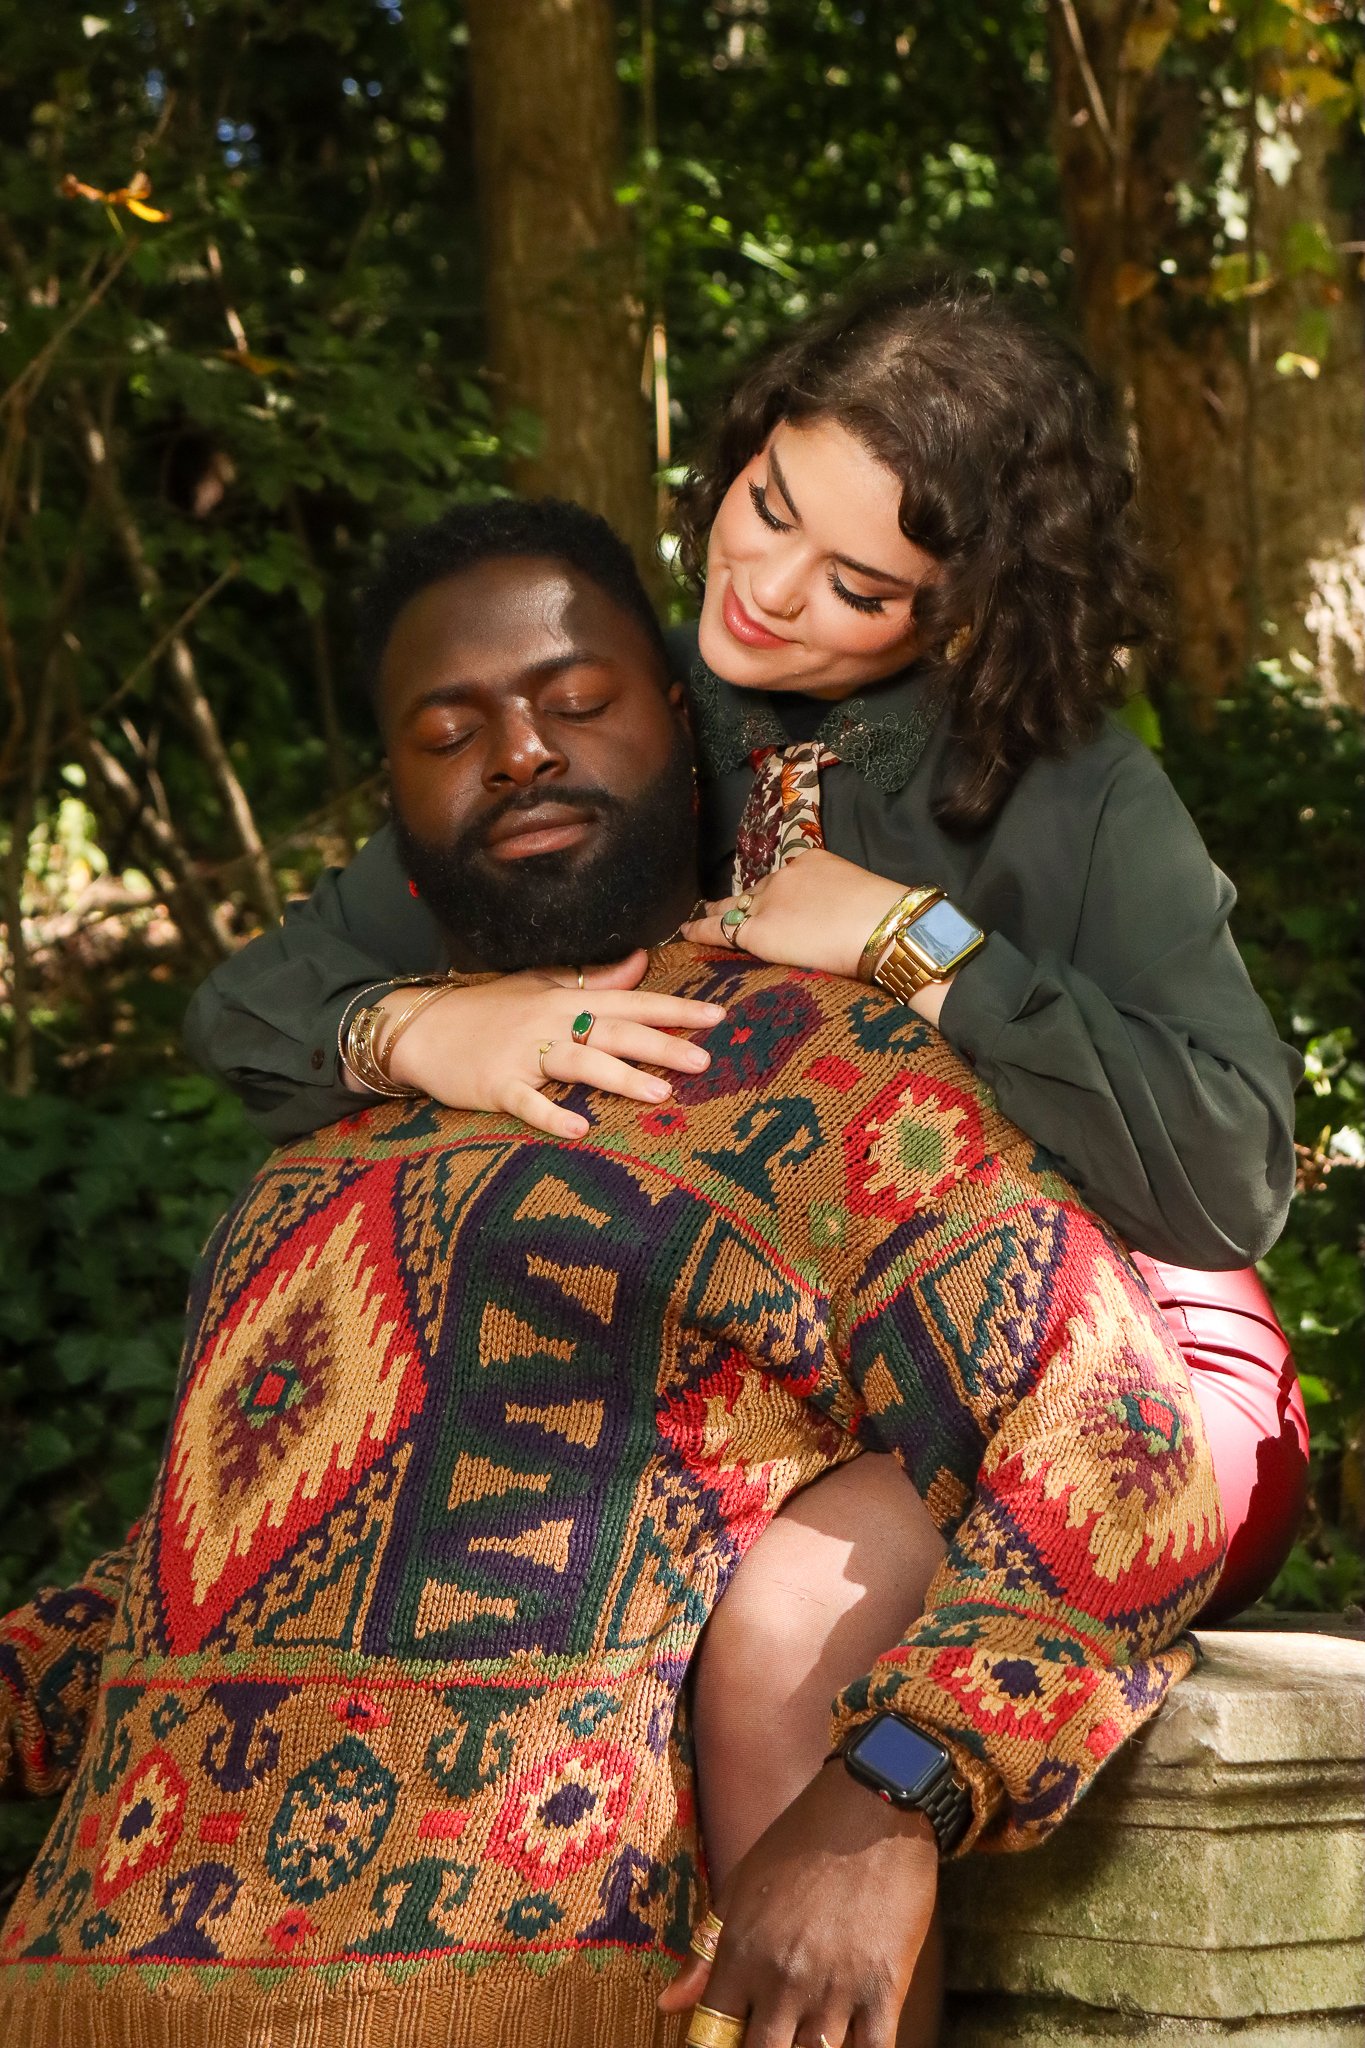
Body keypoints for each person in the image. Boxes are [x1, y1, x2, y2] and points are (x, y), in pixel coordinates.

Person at [0, 506, 1224, 2048]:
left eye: (575, 704)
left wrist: (888, 1801)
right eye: (451, 731)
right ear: (397, 802)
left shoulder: (835, 1078)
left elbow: (1119, 1448)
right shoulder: (312, 1166)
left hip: (546, 1990)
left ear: (684, 731)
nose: (517, 752)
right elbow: (204, 1583)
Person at [182, 279, 1306, 1630]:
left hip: (1094, 1388)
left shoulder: (1071, 786)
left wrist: (912, 943)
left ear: (965, 604)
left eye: (857, 583)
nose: (767, 592)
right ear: (745, 444)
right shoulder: (602, 704)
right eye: (767, 506)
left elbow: (1230, 1174)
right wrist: (427, 1028)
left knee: (769, 1632)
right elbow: (253, 1008)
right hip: (705, 1386)